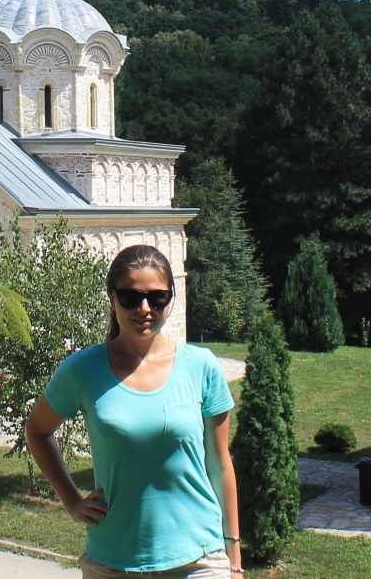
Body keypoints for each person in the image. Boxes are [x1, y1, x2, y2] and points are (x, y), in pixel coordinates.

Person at [25, 245, 242, 578]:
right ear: (112, 299)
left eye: (157, 298)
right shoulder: (83, 369)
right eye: (131, 297)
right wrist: (71, 500)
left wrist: (234, 558)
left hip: (198, 558)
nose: (145, 308)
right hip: (115, 559)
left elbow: (220, 464)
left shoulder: (202, 366)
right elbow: (37, 431)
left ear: (170, 300)